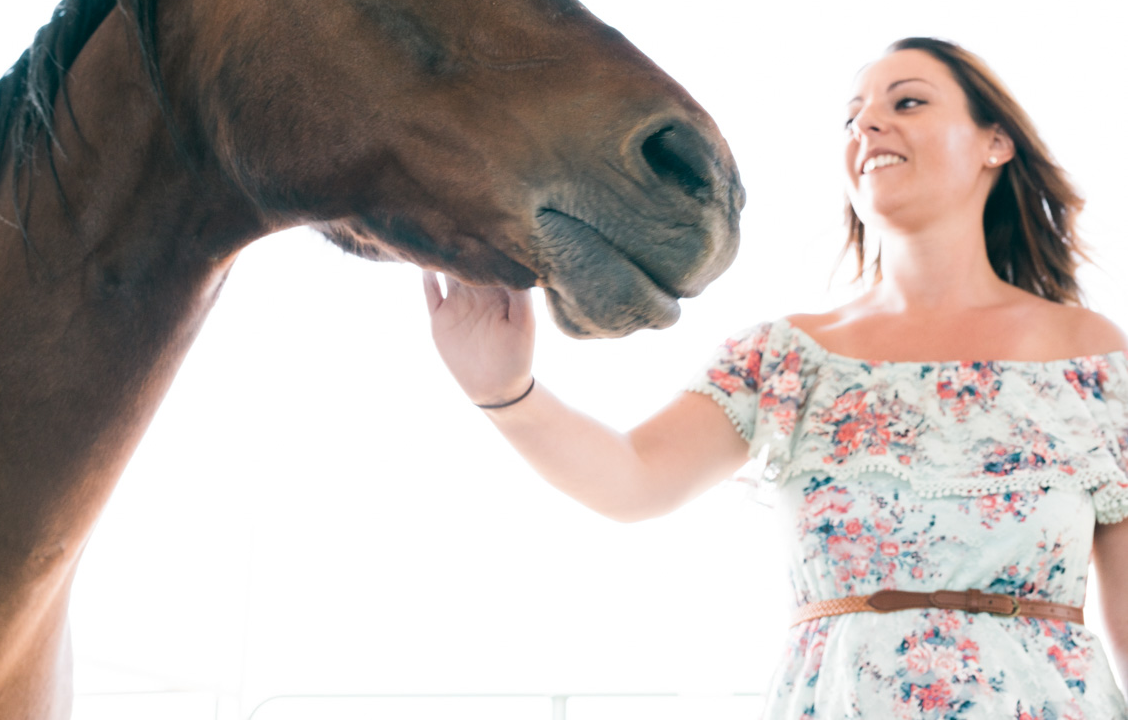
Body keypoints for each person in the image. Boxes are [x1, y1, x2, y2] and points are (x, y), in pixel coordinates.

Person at [423, 37, 1128, 717]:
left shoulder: (1091, 357)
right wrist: (505, 392)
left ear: (994, 144)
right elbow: (633, 477)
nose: (868, 123)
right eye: (852, 116)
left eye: (907, 102)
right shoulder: (785, 357)